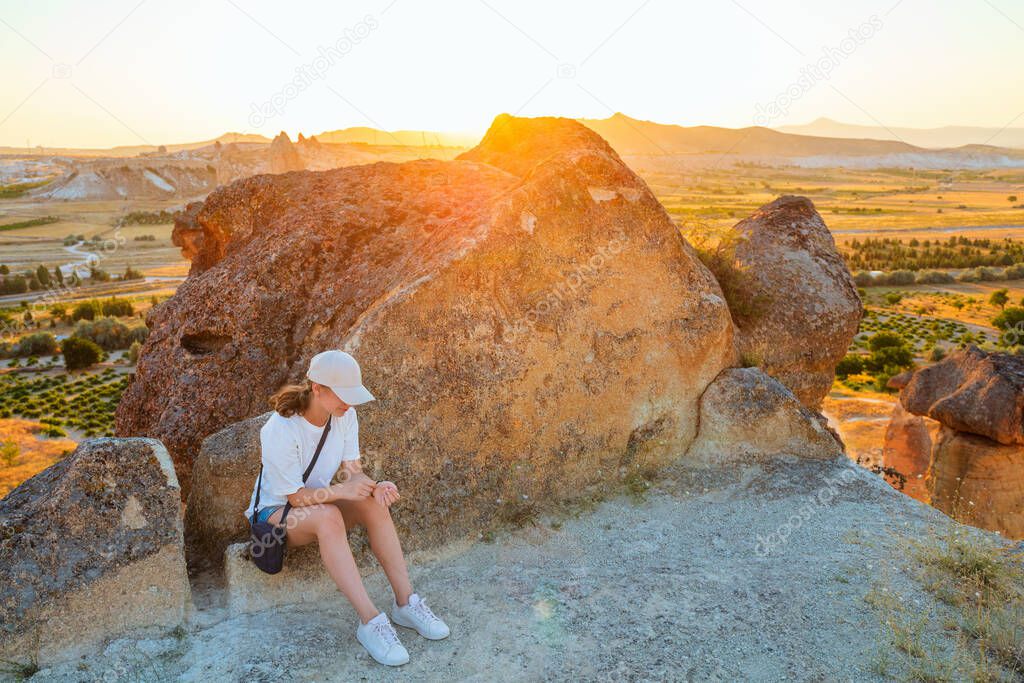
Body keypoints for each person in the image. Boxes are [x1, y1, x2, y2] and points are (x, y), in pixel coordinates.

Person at [244, 349, 449, 666]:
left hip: (319, 499)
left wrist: (375, 486)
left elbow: (353, 471)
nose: (349, 403)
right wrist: (344, 489)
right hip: (276, 515)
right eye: (343, 394)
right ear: (317, 389)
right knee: (328, 517)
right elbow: (296, 498)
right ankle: (370, 622)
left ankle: (406, 604)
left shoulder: (345, 415)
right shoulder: (280, 429)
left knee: (373, 503)